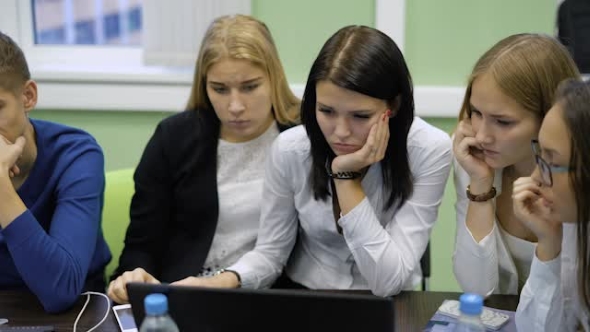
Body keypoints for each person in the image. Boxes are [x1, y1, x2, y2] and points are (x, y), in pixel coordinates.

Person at [168, 25, 452, 296]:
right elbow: (271, 253)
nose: (340, 132)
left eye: (360, 116)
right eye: (326, 111)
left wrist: (346, 177)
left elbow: (387, 281)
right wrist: (224, 281)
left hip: (393, 302)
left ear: (393, 106)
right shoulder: (291, 149)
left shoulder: (428, 149)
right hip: (306, 295)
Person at [107, 14, 300, 304]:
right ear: (204, 85)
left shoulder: (304, 136)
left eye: (250, 87)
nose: (235, 106)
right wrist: (133, 276)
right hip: (185, 294)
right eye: (220, 89)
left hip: (276, 299)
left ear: (275, 78)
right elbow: (142, 245)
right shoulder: (174, 138)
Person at [452, 33, 580, 296]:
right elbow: (476, 291)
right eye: (476, 113)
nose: (482, 135)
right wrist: (480, 186)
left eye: (503, 122)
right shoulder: (473, 156)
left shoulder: (577, 174)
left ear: (549, 117)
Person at [0, 32, 111, 313]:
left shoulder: (76, 156)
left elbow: (60, 290)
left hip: (78, 315)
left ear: (27, 96)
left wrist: (1, 188)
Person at [513, 79, 590, 332]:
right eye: (540, 156)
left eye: (552, 162)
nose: (535, 177)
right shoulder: (572, 223)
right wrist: (549, 243)